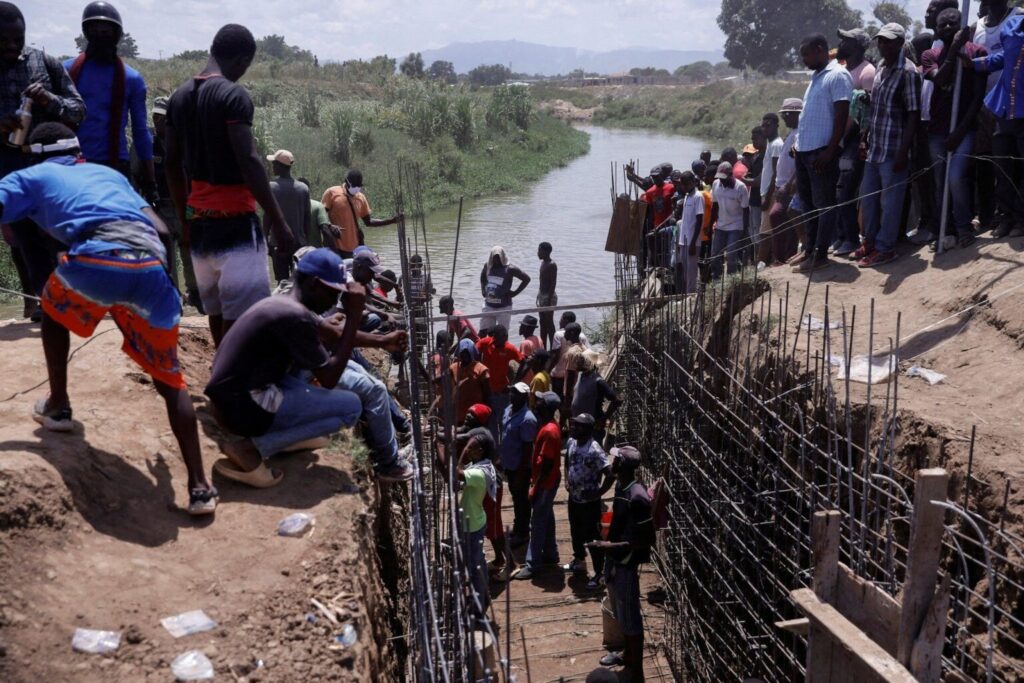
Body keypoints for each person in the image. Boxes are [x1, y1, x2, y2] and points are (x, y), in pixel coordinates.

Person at [1, 123, 217, 515]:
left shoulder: (31, 174)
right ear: (77, 153)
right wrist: (164, 286)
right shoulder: (109, 174)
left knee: (51, 310)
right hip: (151, 264)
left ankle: (59, 406)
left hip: (97, 255)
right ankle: (201, 487)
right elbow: (164, 230)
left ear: (34, 152)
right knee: (171, 380)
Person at [204, 248, 415, 486]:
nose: (335, 301)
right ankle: (251, 448)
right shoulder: (296, 316)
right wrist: (354, 315)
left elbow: (332, 334)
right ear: (315, 284)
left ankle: (290, 437)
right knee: (350, 407)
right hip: (243, 409)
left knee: (354, 387)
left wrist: (383, 341)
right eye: (333, 293)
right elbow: (329, 377)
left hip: (232, 398)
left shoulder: (284, 304)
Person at [165, 24, 293, 346]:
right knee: (246, 319)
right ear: (241, 60)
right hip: (235, 224)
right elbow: (248, 160)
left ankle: (221, 381)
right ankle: (235, 384)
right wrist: (278, 221)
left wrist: (184, 218)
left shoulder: (178, 98)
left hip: (201, 228)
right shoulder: (233, 96)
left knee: (218, 312)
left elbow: (170, 162)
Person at [0, 1, 85, 318]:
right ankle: (37, 298)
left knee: (58, 230)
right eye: (3, 40)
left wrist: (50, 100)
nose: (11, 46)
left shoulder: (44, 63)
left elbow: (78, 110)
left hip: (50, 162)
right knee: (21, 236)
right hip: (8, 163)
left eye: (17, 39)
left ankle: (66, 296)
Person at [65, 2, 156, 198]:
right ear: (86, 32)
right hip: (71, 164)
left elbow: (141, 133)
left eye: (106, 31)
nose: (100, 35)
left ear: (116, 35)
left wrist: (150, 183)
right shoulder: (65, 72)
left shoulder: (131, 79)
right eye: (94, 30)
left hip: (114, 166)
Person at [854, 24, 922, 268]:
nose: (883, 45)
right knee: (869, 199)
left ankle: (885, 248)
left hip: (894, 149)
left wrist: (904, 152)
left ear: (900, 44)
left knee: (890, 202)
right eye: (881, 41)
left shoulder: (909, 73)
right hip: (875, 147)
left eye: (889, 41)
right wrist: (865, 137)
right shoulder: (881, 67)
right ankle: (869, 242)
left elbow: (914, 115)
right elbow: (876, 109)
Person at [589, 446, 655, 681]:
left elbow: (645, 540)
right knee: (621, 614)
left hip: (626, 563)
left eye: (614, 458)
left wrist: (608, 547)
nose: (611, 460)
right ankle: (627, 654)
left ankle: (635, 670)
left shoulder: (637, 496)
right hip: (615, 559)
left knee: (631, 619)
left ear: (621, 465)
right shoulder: (621, 486)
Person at [924, 9, 987, 249]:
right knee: (940, 182)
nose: (948, 28)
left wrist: (959, 132)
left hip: (964, 129)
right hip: (938, 130)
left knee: (956, 177)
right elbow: (939, 79)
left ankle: (963, 226)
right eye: (943, 26)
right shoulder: (930, 55)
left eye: (953, 24)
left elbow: (977, 98)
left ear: (963, 26)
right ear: (937, 30)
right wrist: (953, 50)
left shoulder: (978, 53)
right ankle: (944, 229)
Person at [791, 33, 853, 273]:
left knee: (824, 204)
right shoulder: (816, 77)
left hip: (822, 152)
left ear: (819, 49)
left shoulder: (837, 74)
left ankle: (820, 255)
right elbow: (809, 116)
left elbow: (841, 115)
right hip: (805, 151)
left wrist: (830, 150)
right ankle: (808, 250)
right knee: (808, 204)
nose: (804, 60)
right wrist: (798, 144)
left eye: (806, 54)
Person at [138, 96, 201, 309]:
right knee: (164, 251)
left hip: (186, 204)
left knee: (189, 247)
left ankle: (195, 292)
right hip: (160, 206)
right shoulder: (147, 143)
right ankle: (171, 293)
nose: (158, 121)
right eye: (155, 116)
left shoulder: (186, 143)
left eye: (162, 117)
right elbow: (137, 174)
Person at [970, 7, 1024, 238]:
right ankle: (1007, 217)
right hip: (1004, 108)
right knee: (1002, 167)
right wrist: (972, 63)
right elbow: (1002, 58)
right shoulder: (1012, 27)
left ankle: (1021, 219)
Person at [833, 28, 876, 257]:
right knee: (838, 190)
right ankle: (841, 236)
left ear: (858, 45)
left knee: (847, 191)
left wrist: (859, 140)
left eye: (846, 40)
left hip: (853, 141)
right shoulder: (842, 70)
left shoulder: (867, 73)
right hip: (839, 140)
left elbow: (867, 114)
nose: (841, 43)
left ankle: (850, 238)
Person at [513, 391, 562, 580]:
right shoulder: (548, 426)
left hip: (546, 481)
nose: (536, 402)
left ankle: (533, 564)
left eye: (540, 401)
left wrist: (535, 486)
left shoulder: (549, 430)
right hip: (549, 479)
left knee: (538, 521)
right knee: (546, 516)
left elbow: (547, 461)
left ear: (547, 406)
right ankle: (551, 553)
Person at [563, 414, 614, 588]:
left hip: (589, 503)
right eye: (574, 424)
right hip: (574, 498)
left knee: (593, 537)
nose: (573, 428)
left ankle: (599, 574)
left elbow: (610, 473)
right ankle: (579, 560)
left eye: (578, 426)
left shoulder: (594, 450)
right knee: (575, 531)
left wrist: (599, 493)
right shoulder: (571, 442)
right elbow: (567, 460)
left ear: (588, 430)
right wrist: (566, 480)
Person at [451, 427, 494, 618]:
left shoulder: (478, 473)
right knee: (479, 563)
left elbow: (455, 473)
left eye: (472, 448)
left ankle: (478, 607)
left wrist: (459, 452)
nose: (468, 450)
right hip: (475, 519)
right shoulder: (482, 465)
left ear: (482, 451)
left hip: (472, 525)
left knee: (474, 567)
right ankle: (483, 596)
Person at [321, 169, 401, 258]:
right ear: (347, 182)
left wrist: (391, 221)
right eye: (354, 185)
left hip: (355, 248)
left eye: (359, 186)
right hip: (335, 248)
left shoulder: (361, 198)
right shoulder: (332, 193)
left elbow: (369, 222)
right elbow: (321, 216)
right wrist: (330, 225)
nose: (356, 188)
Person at [500, 382, 538, 548]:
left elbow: (527, 448)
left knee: (522, 501)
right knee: (516, 499)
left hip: (520, 467)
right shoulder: (508, 410)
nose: (511, 395)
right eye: (511, 392)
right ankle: (518, 528)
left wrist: (522, 474)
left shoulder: (527, 419)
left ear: (524, 397)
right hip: (509, 463)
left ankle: (522, 533)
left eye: (515, 393)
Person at [264, 150, 311, 281]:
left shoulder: (272, 187)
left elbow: (268, 216)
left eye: (274, 164)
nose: (272, 167)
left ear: (279, 166)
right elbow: (307, 219)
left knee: (282, 282)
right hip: (299, 244)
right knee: (300, 282)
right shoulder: (303, 188)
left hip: (279, 244)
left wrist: (265, 239)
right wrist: (306, 242)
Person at [769, 99, 803, 265]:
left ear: (797, 114)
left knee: (779, 216)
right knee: (783, 220)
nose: (784, 118)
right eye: (783, 114)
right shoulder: (792, 133)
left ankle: (784, 257)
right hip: (782, 185)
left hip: (789, 187)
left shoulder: (799, 134)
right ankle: (782, 257)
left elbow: (799, 162)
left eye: (787, 114)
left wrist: (789, 184)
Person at [476, 324, 523, 438]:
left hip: (502, 393)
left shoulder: (509, 348)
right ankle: (494, 451)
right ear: (495, 337)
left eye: (506, 336)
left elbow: (523, 362)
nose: (505, 339)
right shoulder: (485, 343)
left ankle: (504, 450)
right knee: (491, 423)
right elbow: (474, 350)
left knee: (504, 423)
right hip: (487, 392)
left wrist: (514, 383)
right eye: (503, 337)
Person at [571, 350, 622, 443]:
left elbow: (617, 400)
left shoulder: (598, 381)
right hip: (579, 424)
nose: (580, 363)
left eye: (583, 361)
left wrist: (603, 419)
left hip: (592, 427)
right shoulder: (581, 375)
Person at [709, 161, 750, 278]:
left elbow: (746, 210)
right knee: (715, 255)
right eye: (720, 178)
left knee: (731, 255)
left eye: (724, 178)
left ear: (731, 174)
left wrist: (744, 230)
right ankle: (716, 280)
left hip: (735, 226)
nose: (721, 180)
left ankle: (731, 281)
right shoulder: (716, 184)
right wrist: (710, 224)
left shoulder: (740, 188)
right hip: (721, 225)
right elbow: (715, 206)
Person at [480, 245, 531, 332]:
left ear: (502, 257)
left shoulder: (510, 269)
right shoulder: (488, 266)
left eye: (498, 258)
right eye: (494, 258)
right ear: (491, 257)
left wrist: (515, 293)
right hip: (488, 305)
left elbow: (526, 279)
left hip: (504, 307)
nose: (496, 260)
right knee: (483, 332)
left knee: (502, 334)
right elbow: (482, 277)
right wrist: (483, 290)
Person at [757, 113, 785, 264]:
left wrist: (767, 197)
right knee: (768, 230)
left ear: (776, 126)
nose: (765, 128)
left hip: (771, 193)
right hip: (766, 192)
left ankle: (761, 264)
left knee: (765, 232)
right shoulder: (770, 144)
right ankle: (767, 262)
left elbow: (776, 173)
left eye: (768, 125)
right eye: (763, 125)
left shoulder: (776, 145)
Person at [671, 170, 704, 293]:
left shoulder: (698, 197)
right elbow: (685, 221)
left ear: (691, 183)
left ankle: (691, 295)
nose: (682, 186)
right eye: (682, 184)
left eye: (684, 184)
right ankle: (688, 293)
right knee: (685, 271)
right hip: (683, 240)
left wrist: (693, 243)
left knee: (691, 272)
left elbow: (699, 221)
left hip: (692, 242)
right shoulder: (686, 197)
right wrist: (680, 242)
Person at [641, 166, 675, 269]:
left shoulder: (671, 187)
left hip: (669, 223)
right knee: (657, 250)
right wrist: (651, 227)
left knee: (669, 250)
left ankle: (669, 271)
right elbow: (651, 210)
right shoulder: (650, 192)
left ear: (661, 175)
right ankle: (658, 272)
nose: (656, 179)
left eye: (657, 177)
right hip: (657, 225)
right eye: (653, 177)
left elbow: (675, 207)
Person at [450, 338, 492, 423]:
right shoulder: (453, 368)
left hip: (476, 416)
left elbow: (487, 394)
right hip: (459, 415)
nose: (465, 357)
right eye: (462, 354)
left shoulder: (481, 369)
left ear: (472, 353)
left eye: (467, 354)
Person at [297, 176, 329, 248]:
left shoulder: (290, 206)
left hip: (294, 251)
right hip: (314, 250)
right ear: (308, 190)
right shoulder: (318, 206)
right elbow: (325, 229)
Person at [537, 241, 558, 348]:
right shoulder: (543, 263)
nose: (538, 253)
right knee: (542, 322)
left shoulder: (551, 264)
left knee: (549, 323)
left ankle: (553, 347)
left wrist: (549, 300)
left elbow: (553, 283)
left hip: (549, 296)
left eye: (539, 250)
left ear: (546, 252)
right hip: (542, 295)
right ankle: (543, 347)